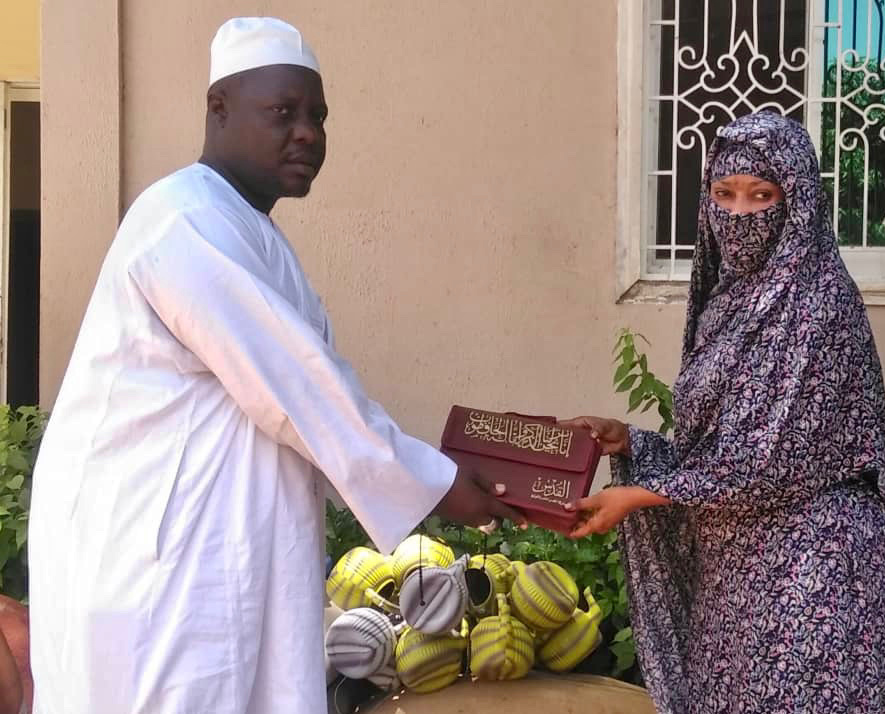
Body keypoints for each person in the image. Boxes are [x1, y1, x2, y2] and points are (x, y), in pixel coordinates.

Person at [28, 17, 522, 714]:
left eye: (317, 116)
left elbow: (307, 390)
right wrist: (435, 485)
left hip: (227, 543)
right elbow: (297, 388)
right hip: (158, 561)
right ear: (218, 110)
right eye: (282, 113)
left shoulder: (247, 229)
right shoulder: (184, 220)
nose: (307, 134)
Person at [563, 111, 885, 714]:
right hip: (736, 586)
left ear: (795, 202)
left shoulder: (816, 302)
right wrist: (631, 445)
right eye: (724, 193)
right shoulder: (727, 302)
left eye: (761, 194)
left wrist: (636, 497)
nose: (739, 212)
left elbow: (764, 461)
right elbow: (718, 454)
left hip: (810, 586)